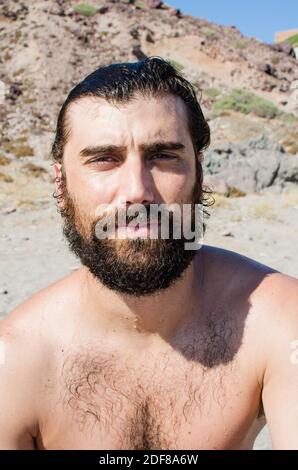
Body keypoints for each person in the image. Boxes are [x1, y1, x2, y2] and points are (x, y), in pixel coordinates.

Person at [0, 57, 297, 450]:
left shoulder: (278, 321)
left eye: (163, 155)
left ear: (199, 173)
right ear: (61, 183)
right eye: (104, 159)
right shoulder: (16, 361)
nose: (137, 190)